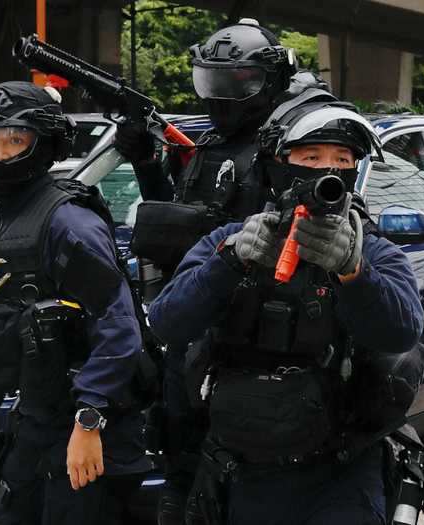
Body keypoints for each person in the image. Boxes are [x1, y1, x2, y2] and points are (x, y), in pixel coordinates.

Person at [148, 100, 424, 525]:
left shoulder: (372, 251)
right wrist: (231, 261)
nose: (327, 169)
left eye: (342, 159)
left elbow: (402, 331)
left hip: (338, 473)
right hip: (241, 471)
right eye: (311, 157)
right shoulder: (230, 239)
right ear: (279, 165)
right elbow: (167, 321)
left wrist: (353, 272)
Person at [114, 19, 336, 524]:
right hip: (193, 324)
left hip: (257, 344)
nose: (221, 97)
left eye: (239, 83)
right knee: (180, 470)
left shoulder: (290, 149)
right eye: (212, 83)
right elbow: (173, 222)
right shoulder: (210, 145)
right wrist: (146, 161)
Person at [0, 81, 151, 524]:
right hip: (36, 417)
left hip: (91, 424)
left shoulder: (69, 223)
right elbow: (8, 315)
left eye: (14, 140)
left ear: (44, 145)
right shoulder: (6, 215)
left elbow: (118, 328)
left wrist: (89, 420)